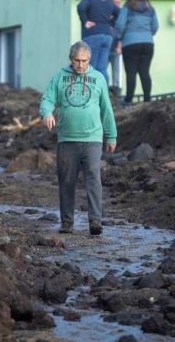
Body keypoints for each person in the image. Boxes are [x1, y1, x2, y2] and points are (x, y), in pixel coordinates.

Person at [39, 41, 117, 236]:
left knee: (94, 179)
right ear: (70, 59)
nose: (81, 64)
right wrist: (47, 113)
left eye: (84, 60)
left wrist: (111, 135)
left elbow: (106, 109)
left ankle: (95, 221)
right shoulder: (60, 77)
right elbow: (47, 99)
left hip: (93, 138)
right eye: (77, 60)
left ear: (89, 59)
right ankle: (67, 223)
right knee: (66, 181)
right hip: (67, 139)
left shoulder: (98, 78)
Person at [114, 0, 159, 105]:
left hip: (130, 43)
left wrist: (119, 37)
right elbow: (155, 26)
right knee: (144, 71)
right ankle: (147, 100)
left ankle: (128, 100)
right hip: (148, 43)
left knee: (131, 72)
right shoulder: (150, 9)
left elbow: (120, 25)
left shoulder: (127, 7)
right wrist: (147, 34)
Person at [77, 0, 120, 84]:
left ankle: (89, 91)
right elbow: (119, 13)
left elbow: (80, 7)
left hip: (92, 35)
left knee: (90, 66)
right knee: (102, 68)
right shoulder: (109, 2)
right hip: (107, 36)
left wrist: (85, 21)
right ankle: (104, 91)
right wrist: (110, 24)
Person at [107, 0, 123, 95]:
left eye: (119, 3)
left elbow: (123, 31)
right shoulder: (105, 14)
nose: (117, 5)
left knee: (117, 72)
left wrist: (120, 45)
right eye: (115, 3)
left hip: (116, 47)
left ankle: (117, 92)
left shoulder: (121, 16)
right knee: (102, 70)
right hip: (105, 48)